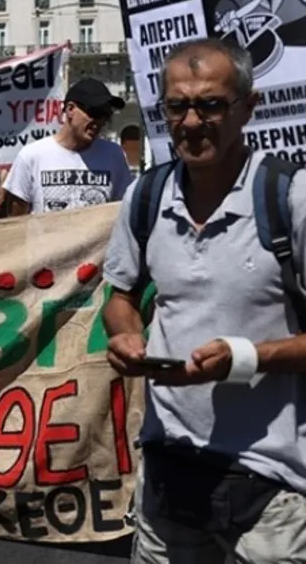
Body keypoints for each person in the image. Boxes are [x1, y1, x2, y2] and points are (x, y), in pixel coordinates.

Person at [103, 37, 306, 562]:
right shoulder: (145, 198)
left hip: (271, 489)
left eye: (211, 104)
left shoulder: (290, 198)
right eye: (178, 106)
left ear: (247, 107)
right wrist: (123, 332)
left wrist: (243, 358)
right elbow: (120, 293)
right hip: (168, 477)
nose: (192, 122)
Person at [0, 78, 133, 218]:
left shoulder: (114, 155)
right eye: (94, 113)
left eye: (105, 115)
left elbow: (124, 211)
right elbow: (16, 220)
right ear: (70, 109)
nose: (100, 121)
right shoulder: (32, 156)